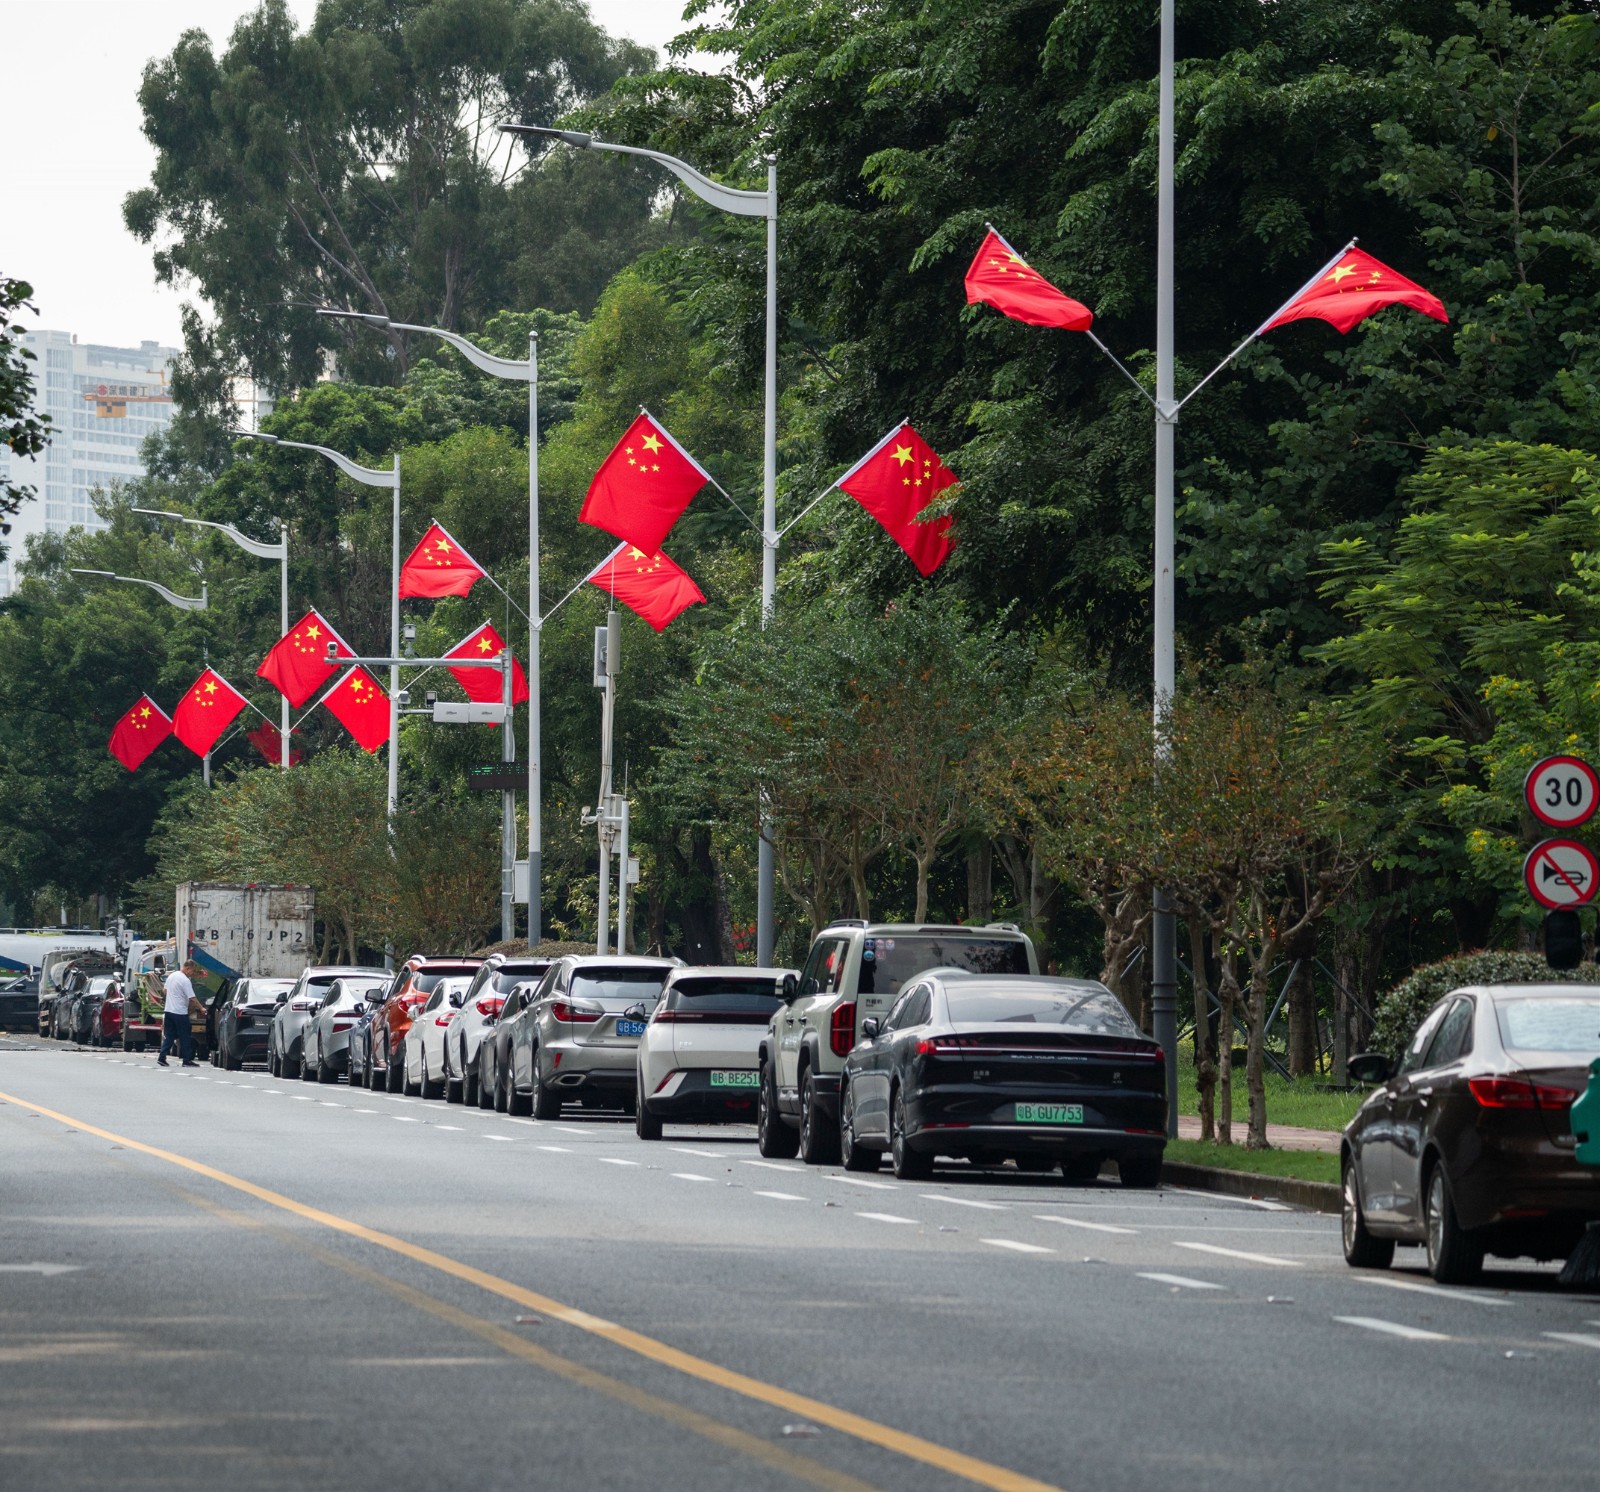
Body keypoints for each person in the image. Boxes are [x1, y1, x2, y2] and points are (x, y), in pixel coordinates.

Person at [157, 959, 203, 1068]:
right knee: (185, 1037)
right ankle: (186, 1060)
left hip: (169, 1011)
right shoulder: (185, 980)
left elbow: (165, 991)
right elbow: (192, 998)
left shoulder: (172, 976)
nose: (192, 973)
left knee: (169, 1036)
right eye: (192, 971)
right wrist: (201, 1008)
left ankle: (162, 1057)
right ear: (187, 968)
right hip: (180, 1013)